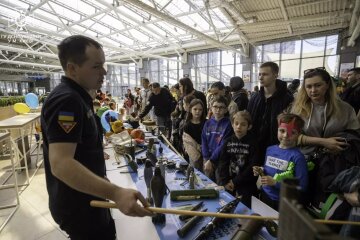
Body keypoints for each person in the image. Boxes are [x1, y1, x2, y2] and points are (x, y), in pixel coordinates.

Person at [40, 35, 152, 240]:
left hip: (88, 198)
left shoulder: (78, 97)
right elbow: (61, 163)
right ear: (72, 69)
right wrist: (116, 192)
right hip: (80, 207)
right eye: (97, 66)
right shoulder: (68, 100)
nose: (105, 71)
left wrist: (100, 180)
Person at [291, 67, 360, 223]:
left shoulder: (345, 109)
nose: (313, 90)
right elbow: (289, 138)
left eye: (318, 85)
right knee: (301, 206)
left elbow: (354, 137)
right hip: (304, 164)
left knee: (324, 207)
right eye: (308, 86)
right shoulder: (298, 109)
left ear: (327, 85)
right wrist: (323, 142)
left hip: (332, 167)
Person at [253, 113, 308, 211]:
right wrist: (261, 170)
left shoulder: (298, 158)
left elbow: (301, 188)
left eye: (292, 132)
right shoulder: (270, 149)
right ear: (277, 130)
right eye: (282, 131)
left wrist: (275, 183)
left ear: (299, 135)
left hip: (283, 203)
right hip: (265, 196)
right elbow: (269, 170)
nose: (286, 135)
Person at [247, 62, 293, 161]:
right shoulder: (255, 98)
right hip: (255, 147)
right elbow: (249, 120)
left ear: (275, 75)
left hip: (277, 147)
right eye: (259, 74)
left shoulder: (287, 99)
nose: (260, 77)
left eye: (265, 74)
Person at [217, 111, 260, 207]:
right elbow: (223, 162)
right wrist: (225, 182)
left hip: (247, 185)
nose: (239, 127)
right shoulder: (227, 141)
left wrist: (235, 182)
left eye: (243, 124)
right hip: (229, 183)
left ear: (249, 126)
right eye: (236, 123)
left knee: (246, 210)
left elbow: (252, 166)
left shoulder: (253, 143)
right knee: (226, 208)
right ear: (232, 124)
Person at [202, 96, 233, 181]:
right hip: (207, 159)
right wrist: (206, 158)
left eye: (221, 107)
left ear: (226, 109)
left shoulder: (228, 124)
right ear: (211, 107)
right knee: (208, 183)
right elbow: (204, 140)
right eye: (215, 107)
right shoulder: (207, 123)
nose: (218, 110)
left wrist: (211, 160)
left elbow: (223, 144)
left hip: (220, 159)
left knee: (220, 183)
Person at [182, 99, 206, 171]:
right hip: (194, 155)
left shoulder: (206, 123)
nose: (197, 111)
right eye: (195, 109)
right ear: (190, 110)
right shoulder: (187, 126)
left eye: (200, 109)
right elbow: (188, 143)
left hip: (206, 153)